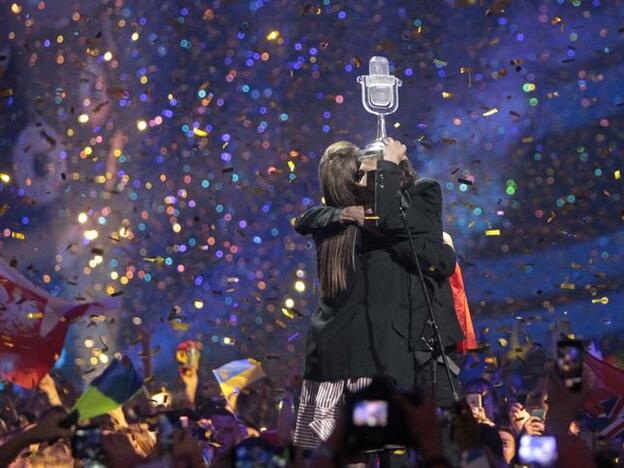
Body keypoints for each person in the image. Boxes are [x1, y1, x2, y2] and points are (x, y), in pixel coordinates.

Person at [292, 138, 464, 462]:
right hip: (366, 371)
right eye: (359, 175)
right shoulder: (375, 230)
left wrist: (343, 212)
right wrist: (445, 249)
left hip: (325, 364)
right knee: (383, 453)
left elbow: (304, 219)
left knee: (337, 457)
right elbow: (425, 250)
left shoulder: (330, 228)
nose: (363, 181)